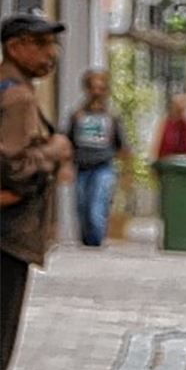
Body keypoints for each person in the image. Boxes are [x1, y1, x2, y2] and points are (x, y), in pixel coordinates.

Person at [0, 9, 73, 370]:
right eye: (42, 44)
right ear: (16, 47)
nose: (52, 54)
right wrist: (55, 150)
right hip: (6, 235)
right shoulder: (17, 98)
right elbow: (14, 169)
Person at [66, 68, 130, 247]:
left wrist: (125, 172)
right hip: (82, 167)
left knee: (96, 207)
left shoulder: (111, 117)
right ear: (86, 89)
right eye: (93, 87)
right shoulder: (77, 116)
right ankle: (87, 242)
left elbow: (121, 144)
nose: (96, 92)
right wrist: (65, 166)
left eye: (101, 88)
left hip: (104, 166)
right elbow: (68, 142)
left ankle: (96, 242)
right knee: (82, 207)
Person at [152, 94, 186, 161]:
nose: (180, 112)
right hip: (168, 166)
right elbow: (159, 149)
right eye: (177, 108)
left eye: (182, 109)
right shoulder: (166, 125)